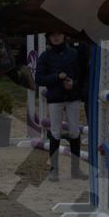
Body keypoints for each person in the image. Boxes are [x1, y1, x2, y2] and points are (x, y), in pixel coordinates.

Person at [35, 31, 86, 182]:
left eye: (58, 34)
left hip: (72, 97)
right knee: (55, 132)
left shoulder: (74, 54)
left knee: (74, 131)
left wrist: (73, 84)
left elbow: (81, 75)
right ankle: (54, 170)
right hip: (55, 98)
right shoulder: (45, 56)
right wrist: (57, 77)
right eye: (52, 35)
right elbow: (39, 79)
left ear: (64, 36)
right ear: (49, 38)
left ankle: (75, 170)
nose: (56, 37)